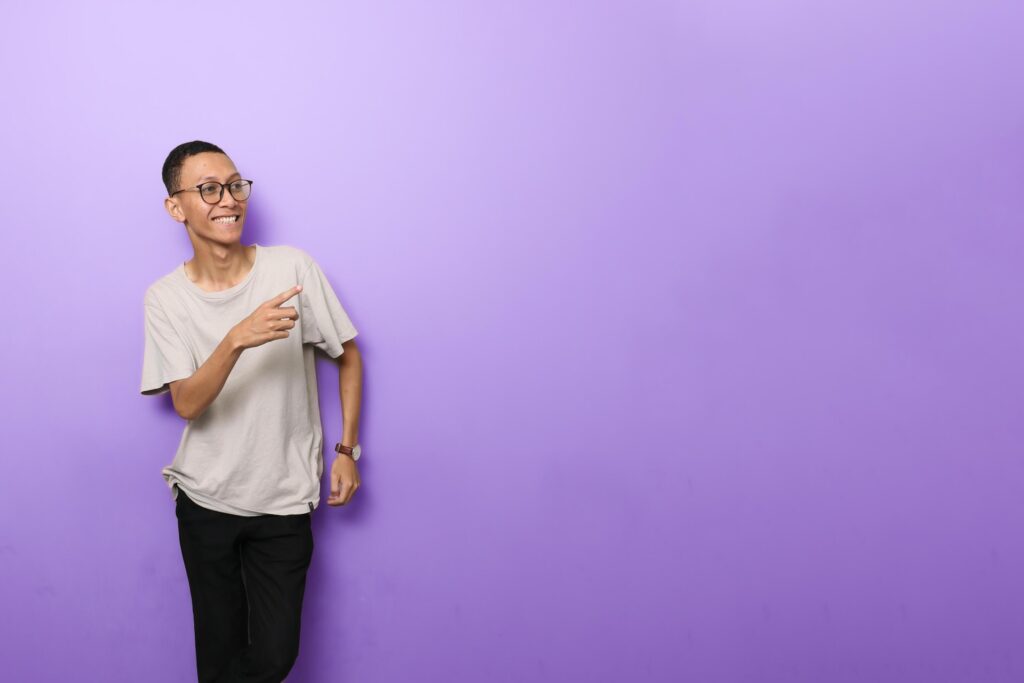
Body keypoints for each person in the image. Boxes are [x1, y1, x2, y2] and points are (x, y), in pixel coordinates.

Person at [139, 140, 365, 682]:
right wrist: (237, 338)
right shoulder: (165, 298)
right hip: (206, 500)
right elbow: (187, 403)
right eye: (209, 189)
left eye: (236, 185)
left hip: (284, 501)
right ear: (177, 207)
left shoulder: (291, 269)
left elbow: (349, 355)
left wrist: (347, 450)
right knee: (217, 662)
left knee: (275, 656)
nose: (228, 199)